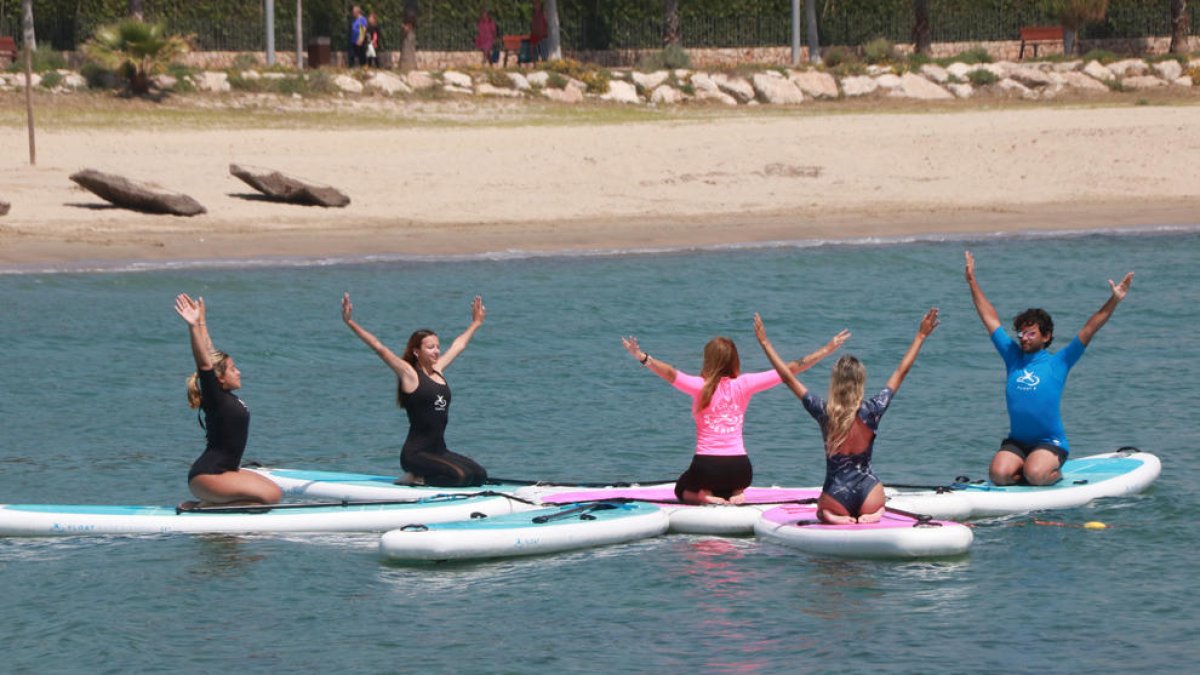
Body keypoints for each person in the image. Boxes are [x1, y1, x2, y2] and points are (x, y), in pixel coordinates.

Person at [621, 329, 849, 505]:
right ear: (734, 361)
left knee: (681, 488)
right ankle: (736, 493)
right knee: (727, 481)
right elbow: (791, 369)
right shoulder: (745, 384)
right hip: (741, 470)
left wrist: (642, 357)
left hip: (706, 468)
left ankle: (704, 496)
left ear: (708, 361)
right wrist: (827, 349)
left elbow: (670, 372)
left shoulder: (699, 386)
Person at [965, 251, 1134, 486]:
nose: (1024, 338)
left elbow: (1089, 329)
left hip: (1050, 443)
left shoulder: (1059, 362)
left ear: (1046, 336)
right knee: (999, 475)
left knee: (1035, 474)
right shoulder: (1012, 356)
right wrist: (972, 282)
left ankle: (1051, 472)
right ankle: (1027, 469)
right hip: (1017, 442)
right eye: (1021, 333)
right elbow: (990, 318)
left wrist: (1114, 300)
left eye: (1030, 333)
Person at [754, 309, 939, 524]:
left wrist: (765, 343)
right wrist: (920, 336)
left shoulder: (824, 412)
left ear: (835, 383)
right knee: (879, 503)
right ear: (860, 382)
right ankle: (874, 513)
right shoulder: (873, 409)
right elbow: (901, 372)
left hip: (836, 495)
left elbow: (787, 377)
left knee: (820, 512)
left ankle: (832, 516)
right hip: (868, 491)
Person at [342, 293, 488, 487]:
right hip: (416, 455)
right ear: (416, 351)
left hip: (439, 451)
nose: (436, 351)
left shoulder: (438, 370)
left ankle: (428, 477)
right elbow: (379, 348)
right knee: (460, 476)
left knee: (479, 475)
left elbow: (458, 345)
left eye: (437, 346)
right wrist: (350, 322)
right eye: (430, 347)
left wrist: (476, 323)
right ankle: (416, 477)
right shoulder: (409, 375)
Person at [174, 293, 282, 510]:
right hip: (208, 475)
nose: (239, 372)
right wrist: (193, 327)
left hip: (224, 472)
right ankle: (202, 507)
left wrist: (202, 322)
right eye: (233, 369)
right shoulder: (216, 398)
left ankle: (207, 504)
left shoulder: (225, 398)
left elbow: (210, 353)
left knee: (274, 493)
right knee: (269, 497)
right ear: (220, 378)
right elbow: (205, 363)